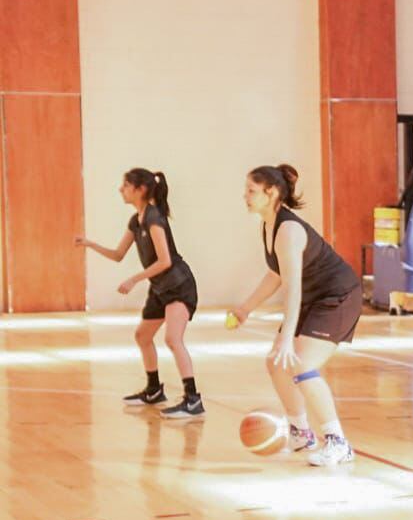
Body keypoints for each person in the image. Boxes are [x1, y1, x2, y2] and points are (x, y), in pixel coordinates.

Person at [231, 164, 362, 467]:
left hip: (338, 297)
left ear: (271, 192)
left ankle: (338, 442)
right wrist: (245, 308)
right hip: (314, 298)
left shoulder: (289, 230)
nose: (245, 196)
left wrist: (287, 337)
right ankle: (301, 432)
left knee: (300, 363)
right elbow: (276, 274)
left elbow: (292, 290)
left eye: (251, 191)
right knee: (277, 362)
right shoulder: (269, 225)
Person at [75, 168, 203, 419]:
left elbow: (165, 260)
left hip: (179, 285)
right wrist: (90, 244)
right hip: (160, 288)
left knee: (172, 339)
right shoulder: (137, 220)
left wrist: (134, 279)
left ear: (140, 189)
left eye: (125, 186)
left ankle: (193, 399)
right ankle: (154, 390)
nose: (120, 190)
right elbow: (118, 255)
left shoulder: (154, 218)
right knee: (143, 336)